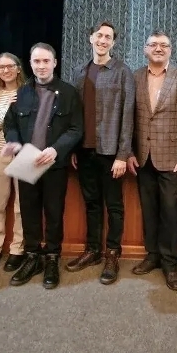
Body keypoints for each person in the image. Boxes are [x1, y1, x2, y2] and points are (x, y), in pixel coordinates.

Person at [2, 43, 83, 289]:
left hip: (53, 163)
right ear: (30, 63)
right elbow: (10, 124)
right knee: (29, 212)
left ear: (55, 63)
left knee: (54, 213)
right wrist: (14, 142)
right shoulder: (22, 92)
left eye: (46, 61)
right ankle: (32, 257)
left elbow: (76, 128)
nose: (41, 66)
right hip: (26, 160)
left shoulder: (69, 92)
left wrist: (56, 149)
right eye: (36, 61)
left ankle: (52, 258)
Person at [127, 31, 177, 291]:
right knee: (149, 209)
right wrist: (129, 152)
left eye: (164, 45)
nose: (158, 48)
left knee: (169, 210)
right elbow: (129, 118)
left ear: (170, 49)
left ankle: (170, 262)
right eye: (153, 44)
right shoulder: (135, 77)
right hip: (142, 157)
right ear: (145, 49)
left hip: (173, 159)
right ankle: (153, 255)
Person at [68, 22, 135, 285]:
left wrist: (122, 155)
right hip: (84, 150)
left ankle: (112, 254)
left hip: (111, 152)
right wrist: (74, 148)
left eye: (108, 37)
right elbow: (74, 114)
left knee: (114, 205)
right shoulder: (78, 72)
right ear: (91, 38)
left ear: (113, 43)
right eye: (99, 35)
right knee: (92, 203)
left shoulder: (122, 72)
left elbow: (128, 115)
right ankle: (93, 250)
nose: (103, 40)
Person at [0, 53, 26, 272]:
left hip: (24, 152)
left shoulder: (29, 91)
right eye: (1, 67)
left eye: (10, 66)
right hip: (0, 151)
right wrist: (7, 107)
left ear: (18, 68)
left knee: (21, 205)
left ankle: (17, 249)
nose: (6, 70)